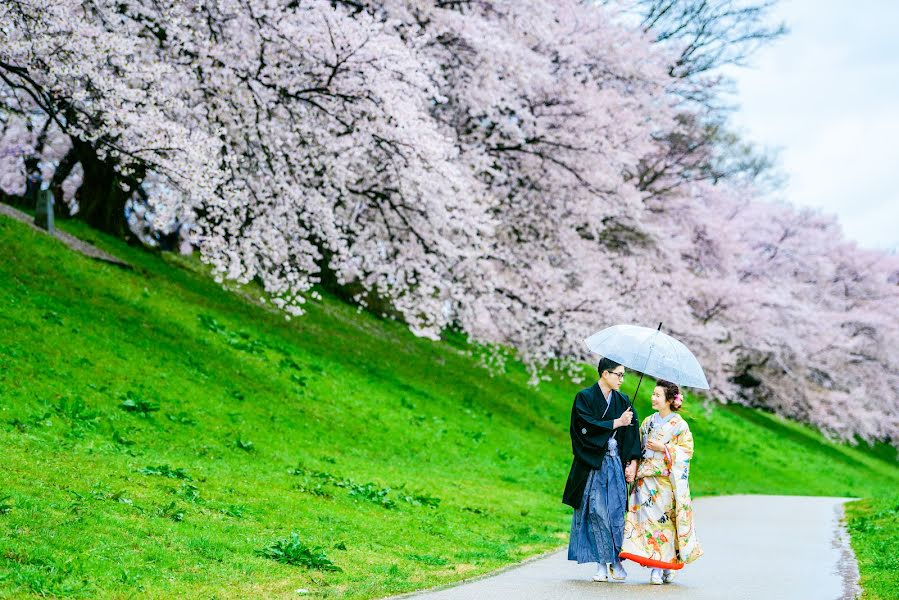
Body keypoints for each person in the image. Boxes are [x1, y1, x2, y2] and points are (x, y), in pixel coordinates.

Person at [563, 357, 641, 582]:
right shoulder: (584, 398)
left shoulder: (623, 400)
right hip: (593, 466)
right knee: (596, 513)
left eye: (624, 375)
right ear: (605, 374)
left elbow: (632, 437)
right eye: (619, 374)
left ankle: (615, 560)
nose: (622, 380)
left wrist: (632, 463)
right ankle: (601, 564)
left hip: (614, 464)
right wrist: (616, 423)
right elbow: (583, 427)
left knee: (616, 512)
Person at [619, 379, 703, 584]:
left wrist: (663, 449)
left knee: (663, 524)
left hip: (664, 483)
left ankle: (661, 566)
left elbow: (686, 452)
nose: (653, 398)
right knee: (646, 524)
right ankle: (656, 564)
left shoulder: (680, 426)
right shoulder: (648, 421)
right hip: (645, 481)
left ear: (669, 400)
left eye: (657, 395)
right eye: (653, 394)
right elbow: (637, 447)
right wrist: (633, 465)